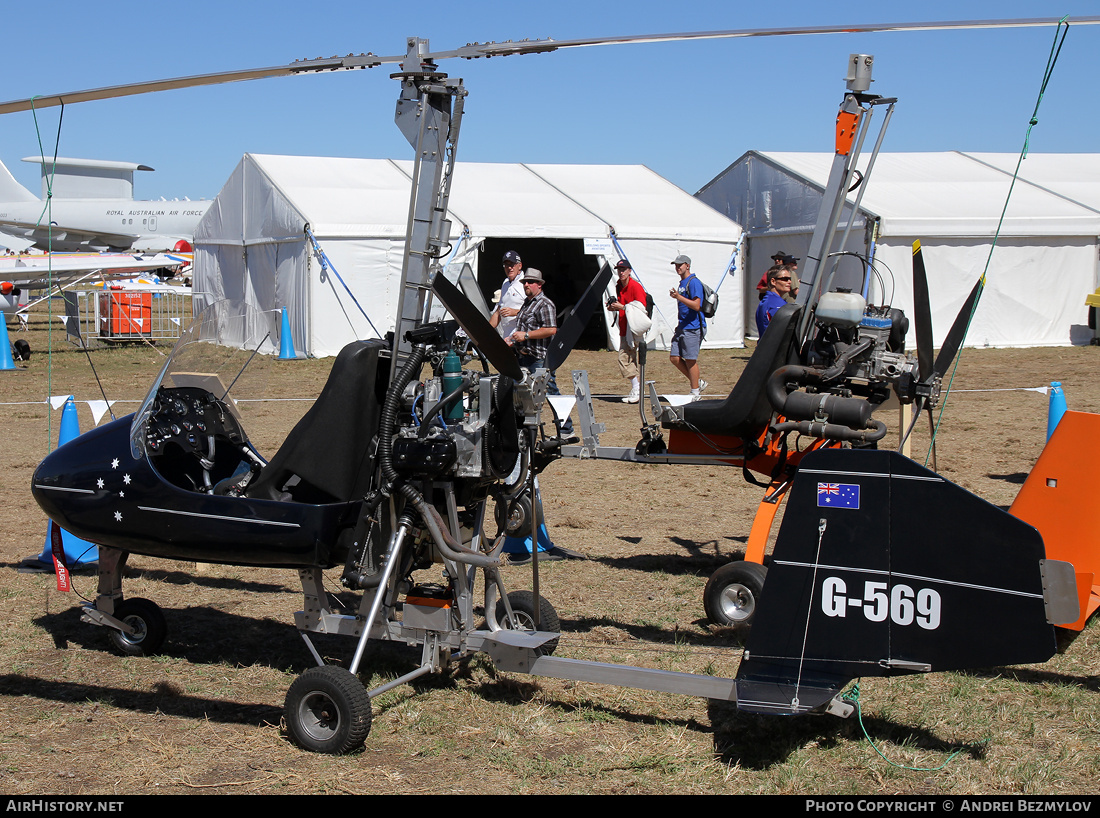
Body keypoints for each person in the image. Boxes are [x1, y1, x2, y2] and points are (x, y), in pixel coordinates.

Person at [507, 268, 575, 439]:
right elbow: (524, 328)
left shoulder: (545, 304)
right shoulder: (527, 303)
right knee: (521, 395)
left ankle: (566, 430)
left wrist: (526, 335)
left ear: (539, 284)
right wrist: (513, 339)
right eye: (525, 282)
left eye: (530, 282)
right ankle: (522, 431)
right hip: (523, 357)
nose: (526, 285)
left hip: (539, 358)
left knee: (551, 392)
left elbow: (551, 329)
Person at [606, 259, 648, 403]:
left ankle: (637, 388)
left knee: (624, 358)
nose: (621, 272)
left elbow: (641, 308)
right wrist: (613, 307)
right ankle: (637, 389)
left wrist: (623, 307)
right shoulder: (619, 286)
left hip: (634, 328)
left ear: (630, 271)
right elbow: (622, 305)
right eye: (619, 270)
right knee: (630, 359)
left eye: (624, 269)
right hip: (624, 327)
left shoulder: (636, 287)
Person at [668, 254, 707, 400]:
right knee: (674, 358)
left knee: (690, 360)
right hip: (683, 326)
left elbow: (697, 305)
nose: (678, 267)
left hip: (693, 327)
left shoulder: (694, 282)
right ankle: (697, 382)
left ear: (687, 265)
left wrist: (678, 297)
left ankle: (695, 391)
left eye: (680, 265)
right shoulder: (682, 283)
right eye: (676, 265)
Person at [489, 250, 526, 339]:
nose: (509, 268)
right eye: (506, 265)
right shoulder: (505, 283)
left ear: (519, 265)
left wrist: (515, 312)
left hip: (520, 336)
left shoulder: (526, 283)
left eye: (512, 264)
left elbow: (533, 311)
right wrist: (485, 330)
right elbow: (498, 311)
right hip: (506, 336)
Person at [756, 265, 792, 337]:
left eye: (790, 279)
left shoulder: (767, 300)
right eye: (785, 279)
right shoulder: (775, 304)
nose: (789, 282)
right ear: (773, 281)